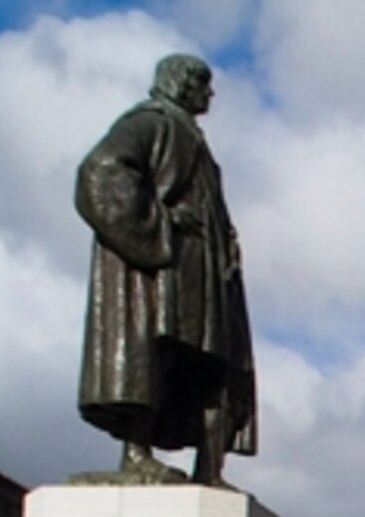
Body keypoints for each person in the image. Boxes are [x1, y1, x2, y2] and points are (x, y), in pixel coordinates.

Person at [74, 54, 256, 483]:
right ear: (181, 82)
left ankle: (207, 470)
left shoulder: (189, 134)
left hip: (202, 270)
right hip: (167, 267)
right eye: (204, 84)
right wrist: (161, 220)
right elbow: (99, 172)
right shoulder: (150, 123)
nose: (210, 93)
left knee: (210, 363)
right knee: (156, 351)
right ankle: (136, 453)